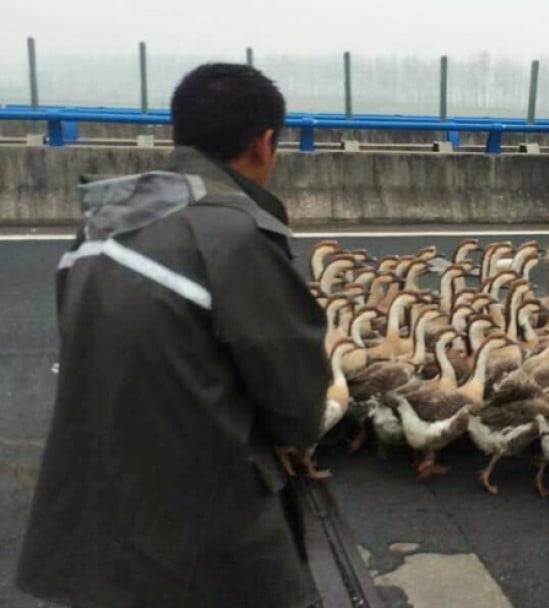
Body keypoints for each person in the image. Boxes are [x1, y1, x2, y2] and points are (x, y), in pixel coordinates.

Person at [16, 63, 330, 608]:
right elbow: (295, 396)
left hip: (96, 511)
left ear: (175, 136)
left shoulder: (96, 228)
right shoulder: (234, 236)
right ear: (265, 144)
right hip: (203, 525)